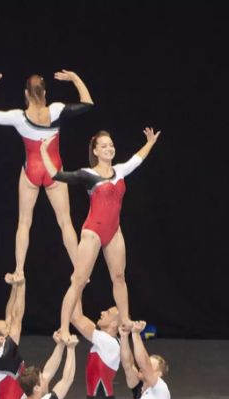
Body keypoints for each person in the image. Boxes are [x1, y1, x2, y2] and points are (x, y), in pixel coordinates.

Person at [42, 128, 160, 340]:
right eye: (104, 146)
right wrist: (43, 150)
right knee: (79, 280)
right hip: (93, 232)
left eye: (111, 145)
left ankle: (125, 320)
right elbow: (56, 175)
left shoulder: (121, 170)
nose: (109, 148)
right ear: (95, 151)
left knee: (119, 277)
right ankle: (64, 328)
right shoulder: (88, 174)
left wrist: (150, 142)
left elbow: (138, 158)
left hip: (114, 231)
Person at [0, 71, 93, 276]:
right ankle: (79, 270)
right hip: (55, 171)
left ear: (25, 93)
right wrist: (75, 79)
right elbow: (87, 104)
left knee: (24, 221)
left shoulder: (18, 117)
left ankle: (19, 270)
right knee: (65, 222)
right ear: (45, 93)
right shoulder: (56, 110)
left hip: (32, 170)